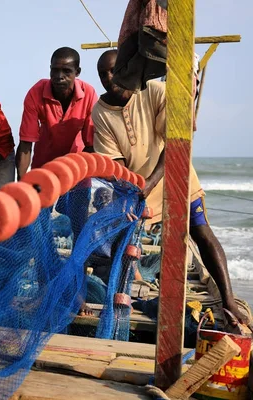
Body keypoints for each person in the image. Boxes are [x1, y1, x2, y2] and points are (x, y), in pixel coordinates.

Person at [92, 49, 248, 325]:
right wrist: (133, 191)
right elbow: (114, 163)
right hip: (139, 188)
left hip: (178, 177)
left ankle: (228, 300)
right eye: (102, 73)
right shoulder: (101, 111)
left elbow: (175, 142)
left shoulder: (154, 90)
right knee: (124, 240)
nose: (108, 78)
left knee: (200, 232)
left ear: (127, 70)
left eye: (114, 70)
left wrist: (151, 181)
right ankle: (121, 303)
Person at [16, 46, 98, 240]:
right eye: (55, 70)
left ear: (77, 73)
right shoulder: (36, 92)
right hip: (44, 166)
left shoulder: (89, 94)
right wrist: (22, 183)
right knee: (37, 223)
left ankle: (78, 266)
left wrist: (73, 172)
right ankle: (39, 264)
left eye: (66, 71)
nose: (59, 76)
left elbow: (91, 145)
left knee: (79, 222)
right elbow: (26, 143)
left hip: (77, 166)